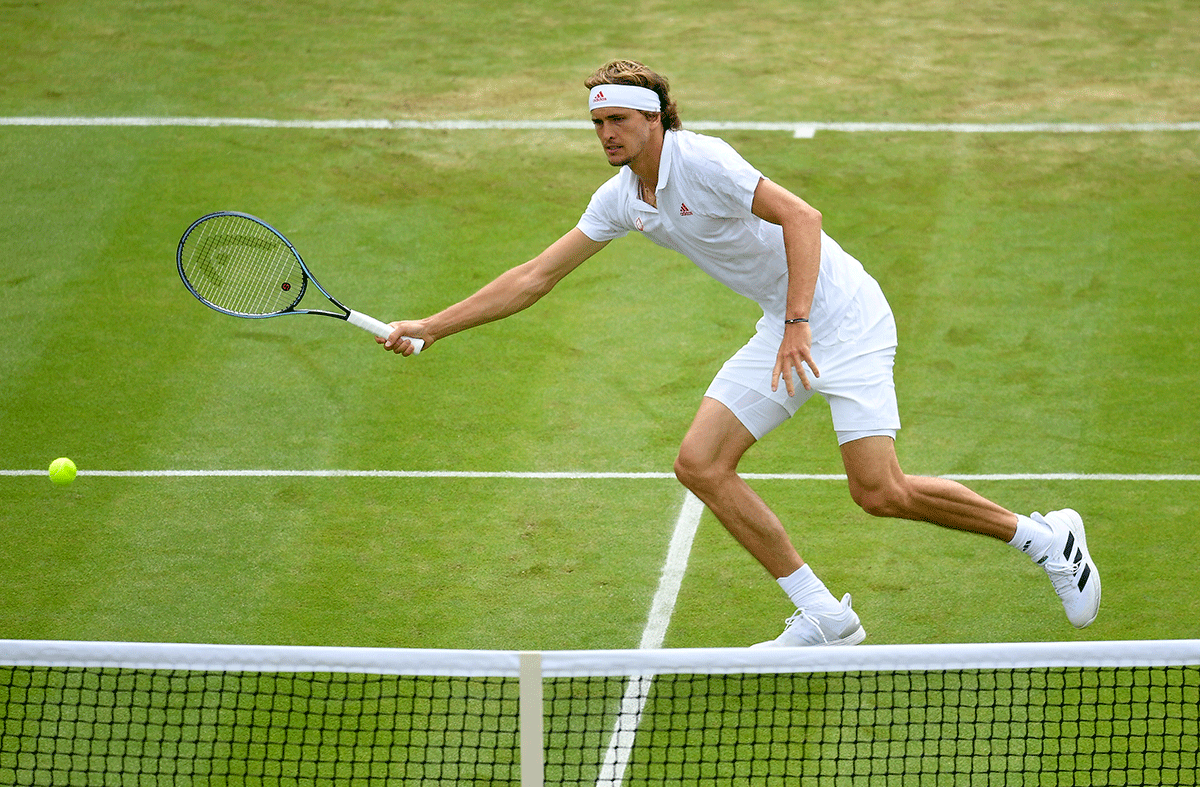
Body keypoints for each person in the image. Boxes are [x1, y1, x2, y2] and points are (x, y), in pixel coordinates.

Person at [381, 60, 1101, 646]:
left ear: (654, 119)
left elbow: (802, 216)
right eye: (598, 123)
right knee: (699, 462)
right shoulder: (622, 197)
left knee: (879, 491)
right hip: (784, 324)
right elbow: (533, 276)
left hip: (843, 321)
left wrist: (797, 320)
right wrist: (435, 324)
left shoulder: (705, 160)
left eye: (618, 121)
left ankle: (1044, 539)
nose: (606, 134)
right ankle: (824, 615)